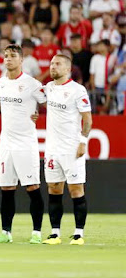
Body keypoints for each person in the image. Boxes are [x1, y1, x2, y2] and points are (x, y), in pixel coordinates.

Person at [0, 44, 47, 244]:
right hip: (6, 143)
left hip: (26, 142)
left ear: (21, 60)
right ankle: (6, 232)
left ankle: (36, 232)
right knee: (7, 188)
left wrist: (37, 114)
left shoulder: (32, 84)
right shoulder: (1, 83)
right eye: (6, 56)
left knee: (32, 187)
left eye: (13, 56)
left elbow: (47, 102)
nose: (8, 59)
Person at [42, 54, 92, 245]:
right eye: (52, 63)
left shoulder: (77, 90)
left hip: (71, 148)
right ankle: (55, 233)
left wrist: (83, 141)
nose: (53, 66)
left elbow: (87, 119)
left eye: (58, 64)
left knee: (76, 189)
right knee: (54, 189)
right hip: (52, 149)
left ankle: (79, 233)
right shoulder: (49, 88)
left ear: (68, 68)